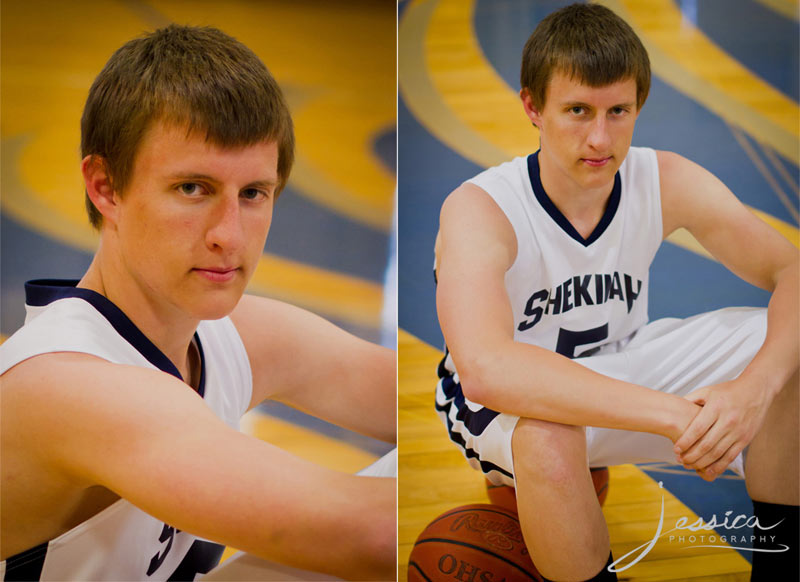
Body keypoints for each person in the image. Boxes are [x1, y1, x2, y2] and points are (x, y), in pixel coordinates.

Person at [0, 25, 396, 581]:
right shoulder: (69, 386)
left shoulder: (231, 333)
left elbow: (441, 393)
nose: (229, 236)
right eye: (193, 189)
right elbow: (369, 535)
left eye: (253, 193)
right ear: (106, 187)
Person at [433, 4, 798, 581]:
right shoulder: (482, 208)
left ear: (638, 107)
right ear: (532, 106)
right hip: (508, 408)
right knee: (549, 439)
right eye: (577, 111)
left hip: (623, 372)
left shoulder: (664, 179)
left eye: (618, 111)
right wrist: (679, 416)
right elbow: (486, 370)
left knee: (787, 353)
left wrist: (753, 391)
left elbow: (793, 272)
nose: (600, 138)